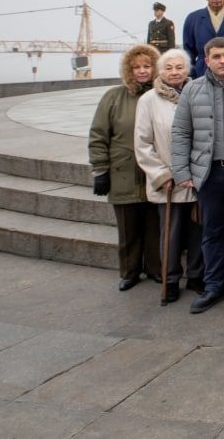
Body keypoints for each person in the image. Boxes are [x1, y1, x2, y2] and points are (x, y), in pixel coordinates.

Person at [171, 37, 224, 313]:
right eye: (216, 56)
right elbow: (181, 131)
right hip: (208, 172)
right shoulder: (192, 89)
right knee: (211, 231)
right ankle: (213, 286)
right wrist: (181, 171)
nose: (223, 60)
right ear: (206, 60)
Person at [133, 48, 203, 302]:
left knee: (198, 231)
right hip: (169, 181)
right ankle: (171, 279)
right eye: (169, 68)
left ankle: (197, 275)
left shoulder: (199, 93)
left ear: (188, 69)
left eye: (179, 67)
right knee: (170, 234)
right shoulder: (148, 100)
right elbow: (142, 143)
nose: (174, 72)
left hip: (197, 177)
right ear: (160, 71)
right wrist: (161, 174)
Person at [90, 43, 162, 291]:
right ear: (128, 71)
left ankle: (155, 267)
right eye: (136, 67)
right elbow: (98, 134)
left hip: (153, 173)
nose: (142, 71)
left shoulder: (160, 95)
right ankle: (130, 271)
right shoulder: (114, 97)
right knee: (128, 227)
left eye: (147, 66)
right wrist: (100, 170)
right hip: (123, 172)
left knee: (154, 226)